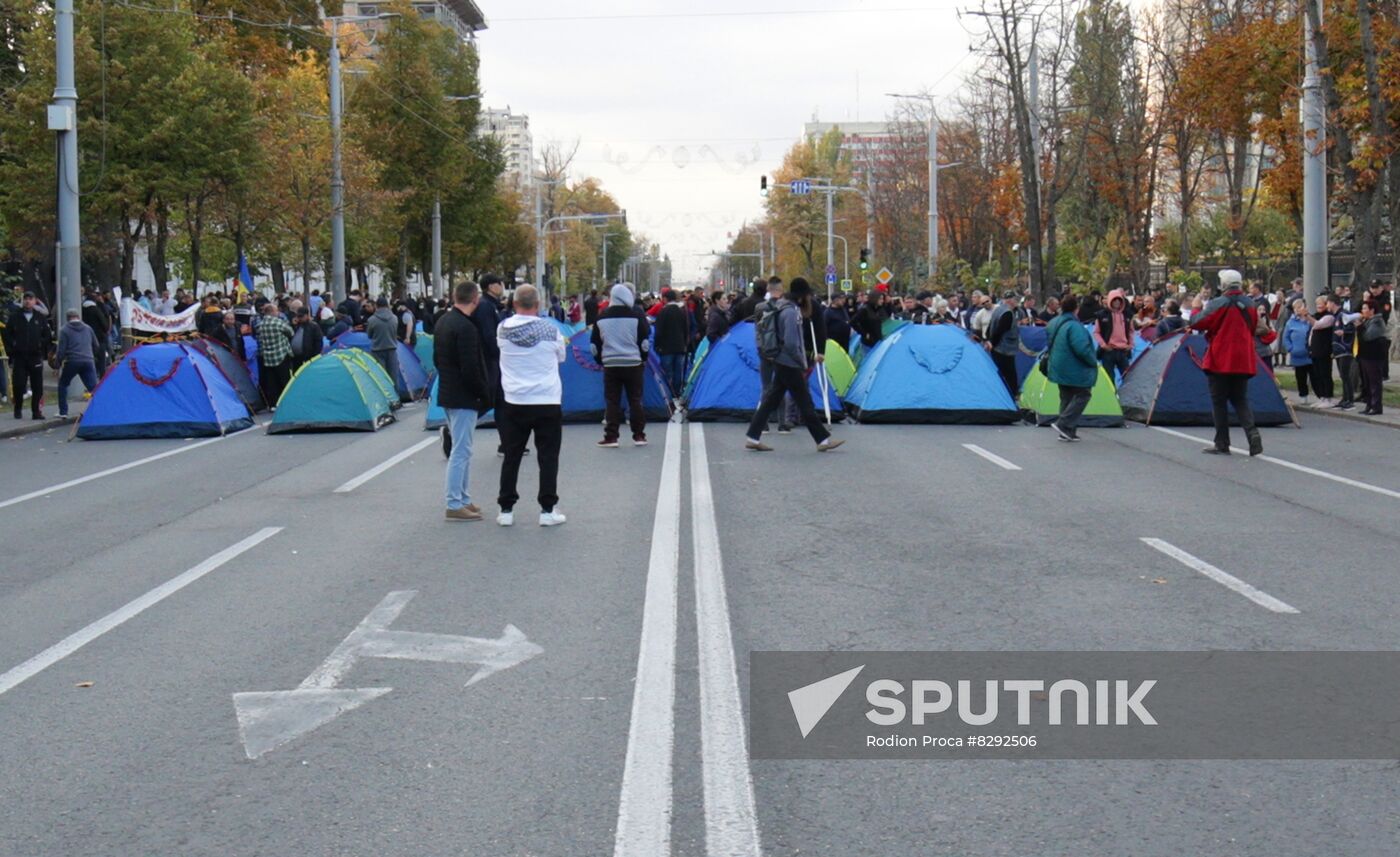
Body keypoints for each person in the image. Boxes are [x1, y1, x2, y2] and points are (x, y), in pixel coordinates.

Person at [743, 278, 845, 453]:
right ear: (801, 296)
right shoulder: (791, 312)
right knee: (804, 401)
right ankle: (822, 440)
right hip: (789, 362)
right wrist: (801, 360)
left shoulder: (782, 306)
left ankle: (753, 436)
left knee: (771, 400)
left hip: (781, 361)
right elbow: (791, 342)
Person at [494, 285, 566, 527]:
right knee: (548, 456)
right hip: (547, 399)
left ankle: (506, 508)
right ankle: (547, 509)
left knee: (511, 455)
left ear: (514, 304)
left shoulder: (502, 330)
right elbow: (561, 357)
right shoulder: (551, 330)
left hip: (514, 400)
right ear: (538, 304)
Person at [435, 281, 492, 521]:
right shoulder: (467, 327)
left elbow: (438, 359)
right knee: (461, 450)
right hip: (464, 396)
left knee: (462, 449)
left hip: (448, 391)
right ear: (475, 299)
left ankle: (463, 498)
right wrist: (484, 392)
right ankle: (455, 502)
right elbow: (471, 367)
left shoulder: (443, 322)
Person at [1190, 269, 1263, 456]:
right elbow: (1254, 327)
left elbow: (1197, 323)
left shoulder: (1217, 303)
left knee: (1219, 401)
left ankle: (1222, 443)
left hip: (1220, 358)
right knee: (1240, 399)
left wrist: (1196, 307)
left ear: (1223, 284)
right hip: (1244, 359)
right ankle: (1252, 433)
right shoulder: (1251, 304)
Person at [591, 283, 653, 448]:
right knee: (635, 399)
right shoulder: (636, 316)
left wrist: (601, 361)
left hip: (611, 364)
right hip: (633, 363)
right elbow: (644, 341)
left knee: (612, 400)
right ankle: (639, 435)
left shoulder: (602, 317)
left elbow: (594, 345)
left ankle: (611, 436)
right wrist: (643, 358)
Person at [1045, 295, 1098, 442]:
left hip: (1058, 365)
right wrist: (1093, 361)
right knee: (1083, 394)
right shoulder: (1075, 326)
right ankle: (1064, 423)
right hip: (1073, 367)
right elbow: (1082, 348)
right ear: (1076, 308)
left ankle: (1067, 432)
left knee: (1066, 396)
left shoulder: (1054, 322)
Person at [3, 292, 51, 419]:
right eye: (26, 299)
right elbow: (6, 335)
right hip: (19, 356)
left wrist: (40, 345)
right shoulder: (15, 317)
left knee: (37, 386)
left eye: (30, 299)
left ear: (35, 301)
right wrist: (12, 348)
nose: (28, 301)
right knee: (18, 384)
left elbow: (47, 335)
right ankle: (17, 408)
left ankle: (36, 411)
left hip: (35, 356)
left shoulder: (40, 318)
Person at [54, 307, 100, 419]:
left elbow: (61, 350)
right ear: (78, 317)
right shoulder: (88, 328)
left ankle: (63, 412)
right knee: (93, 388)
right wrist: (91, 355)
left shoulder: (64, 330)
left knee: (63, 384)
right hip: (88, 360)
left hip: (72, 361)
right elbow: (96, 345)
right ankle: (100, 410)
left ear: (67, 318)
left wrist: (57, 363)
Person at [984, 290, 1022, 402]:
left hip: (997, 349)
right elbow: (999, 331)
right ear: (1010, 300)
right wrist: (993, 343)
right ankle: (1011, 399)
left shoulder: (997, 310)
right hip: (1005, 350)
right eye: (1015, 300)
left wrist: (989, 341)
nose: (1017, 302)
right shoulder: (1008, 313)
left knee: (999, 375)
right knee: (1010, 377)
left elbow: (989, 328)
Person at [654, 288, 690, 399]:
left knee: (667, 371)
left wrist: (657, 345)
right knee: (678, 371)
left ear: (665, 299)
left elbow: (658, 330)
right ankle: (677, 392)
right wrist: (684, 343)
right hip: (680, 346)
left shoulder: (663, 312)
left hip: (666, 347)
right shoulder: (682, 311)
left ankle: (669, 393)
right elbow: (686, 329)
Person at [255, 301, 294, 406]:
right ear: (272, 312)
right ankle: (287, 402)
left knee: (271, 382)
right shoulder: (278, 322)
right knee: (284, 380)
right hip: (281, 354)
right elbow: (291, 332)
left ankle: (272, 404)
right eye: (276, 310)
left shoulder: (260, 325)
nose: (278, 312)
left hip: (267, 357)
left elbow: (257, 337)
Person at [1356, 300, 1390, 415]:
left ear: (1372, 310)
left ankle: (1376, 407)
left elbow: (1368, 337)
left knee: (1374, 382)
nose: (1362, 311)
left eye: (1365, 308)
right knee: (1367, 383)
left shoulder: (1377, 322)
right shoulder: (1367, 321)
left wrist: (1360, 327)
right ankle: (1369, 405)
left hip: (1374, 357)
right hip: (1365, 356)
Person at [1095, 289, 1134, 384]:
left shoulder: (1127, 315)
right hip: (1109, 351)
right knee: (1109, 379)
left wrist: (1131, 344)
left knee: (1128, 377)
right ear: (1110, 300)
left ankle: (1128, 397)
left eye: (1119, 300)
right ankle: (1113, 396)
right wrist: (1104, 345)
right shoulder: (1101, 315)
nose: (1117, 302)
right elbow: (1096, 332)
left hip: (1123, 351)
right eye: (1114, 300)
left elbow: (1131, 331)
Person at [365, 296, 402, 391]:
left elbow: (369, 335)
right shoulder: (395, 318)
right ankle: (396, 397)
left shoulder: (371, 320)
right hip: (392, 349)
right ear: (387, 305)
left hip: (377, 350)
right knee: (394, 376)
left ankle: (385, 398)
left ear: (376, 306)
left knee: (380, 376)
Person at [1306, 295, 1336, 407]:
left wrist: (1307, 315)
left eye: (1321, 303)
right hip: (1314, 350)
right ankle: (1322, 396)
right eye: (1317, 303)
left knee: (1325, 373)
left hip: (1324, 349)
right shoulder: (1316, 316)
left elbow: (1318, 325)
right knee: (1317, 374)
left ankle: (1328, 397)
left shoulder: (1329, 317)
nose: (1318, 306)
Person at [1283, 300, 1313, 403]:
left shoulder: (1309, 321)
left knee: (1314, 375)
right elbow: (1285, 338)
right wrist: (1290, 348)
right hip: (1297, 354)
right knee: (1301, 377)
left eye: (1300, 307)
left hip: (1309, 354)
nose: (1298, 310)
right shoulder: (1290, 322)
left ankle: (1320, 395)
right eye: (1296, 308)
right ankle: (1303, 395)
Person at [290, 307, 323, 372]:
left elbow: (318, 342)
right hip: (296, 357)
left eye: (301, 316)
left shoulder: (314, 326)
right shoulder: (295, 325)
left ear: (307, 315)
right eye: (298, 316)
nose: (299, 318)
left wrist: (314, 357)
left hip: (308, 357)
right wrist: (292, 325)